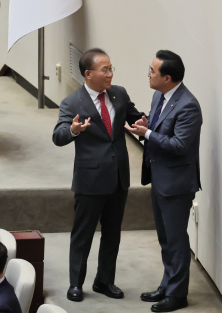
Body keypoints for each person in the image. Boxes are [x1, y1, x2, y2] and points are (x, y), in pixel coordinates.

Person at [52, 48, 144, 303]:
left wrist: (144, 125)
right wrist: (73, 130)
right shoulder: (72, 103)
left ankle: (104, 280)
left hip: (118, 178)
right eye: (105, 69)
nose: (110, 74)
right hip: (90, 180)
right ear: (88, 73)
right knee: (83, 234)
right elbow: (58, 136)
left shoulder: (119, 94)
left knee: (112, 233)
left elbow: (137, 117)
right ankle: (75, 284)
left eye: (111, 68)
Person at [126, 50, 202, 312]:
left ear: (167, 77)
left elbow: (180, 145)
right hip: (159, 178)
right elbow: (161, 128)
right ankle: (167, 284)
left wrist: (147, 132)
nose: (148, 74)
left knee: (176, 240)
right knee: (164, 237)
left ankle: (177, 295)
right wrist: (148, 125)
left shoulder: (188, 105)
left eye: (152, 71)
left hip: (177, 185)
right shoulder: (160, 95)